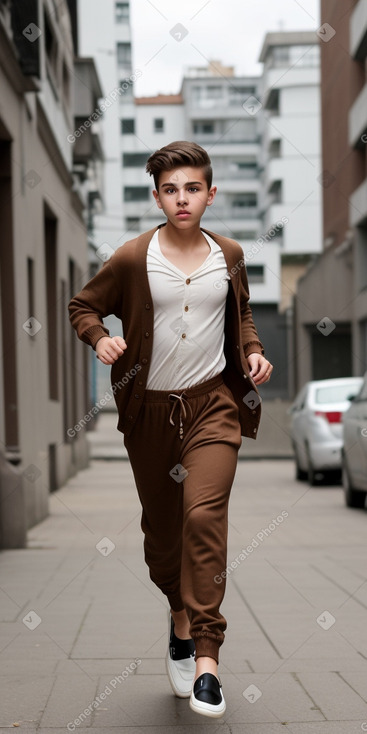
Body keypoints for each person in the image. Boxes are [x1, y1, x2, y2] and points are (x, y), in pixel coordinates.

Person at [68, 141, 273, 719]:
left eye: (192, 188)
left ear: (211, 193)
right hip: (151, 414)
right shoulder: (134, 258)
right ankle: (179, 622)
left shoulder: (229, 253)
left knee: (203, 516)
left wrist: (252, 350)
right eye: (170, 190)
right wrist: (99, 339)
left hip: (213, 406)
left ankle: (206, 657)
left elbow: (243, 310)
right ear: (157, 196)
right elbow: (83, 305)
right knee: (163, 538)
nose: (181, 199)